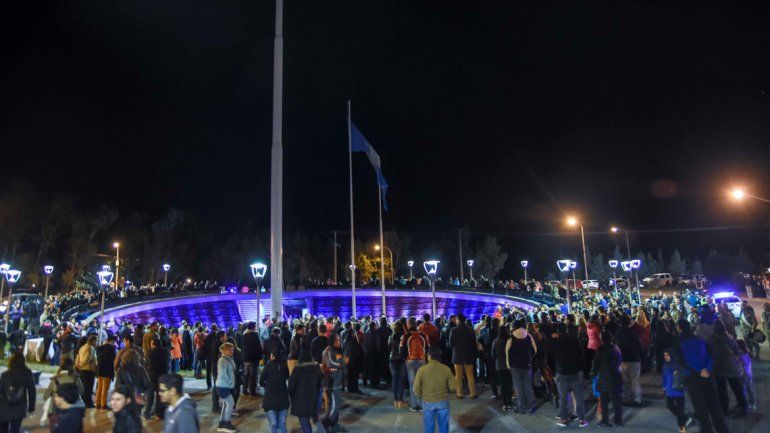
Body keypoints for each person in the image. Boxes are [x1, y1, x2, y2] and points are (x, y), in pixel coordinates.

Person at [676, 319, 729, 433]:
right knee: (714, 405)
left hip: (693, 377)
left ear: (680, 328)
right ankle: (722, 429)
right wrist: (707, 370)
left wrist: (697, 372)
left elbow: (682, 362)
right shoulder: (700, 340)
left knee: (700, 407)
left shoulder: (679, 343)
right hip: (707, 375)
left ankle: (706, 429)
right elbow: (709, 356)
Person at [548, 322, 588, 427]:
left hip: (562, 372)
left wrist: (552, 339)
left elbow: (549, 352)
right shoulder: (575, 340)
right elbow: (581, 355)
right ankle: (582, 419)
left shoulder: (557, 341)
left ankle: (564, 419)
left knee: (563, 397)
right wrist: (580, 368)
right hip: (574, 372)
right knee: (578, 397)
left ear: (558, 331)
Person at [708, 320, 747, 417]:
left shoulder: (710, 339)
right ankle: (743, 406)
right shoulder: (728, 337)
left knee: (722, 390)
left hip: (718, 368)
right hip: (731, 367)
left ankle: (724, 408)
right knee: (737, 388)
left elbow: (708, 352)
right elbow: (735, 349)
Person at [413, 346, 456, 433]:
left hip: (428, 402)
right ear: (440, 357)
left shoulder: (422, 370)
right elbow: (453, 388)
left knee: (429, 426)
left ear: (429, 356)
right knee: (443, 426)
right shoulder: (446, 369)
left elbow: (416, 389)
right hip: (442, 401)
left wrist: (421, 396)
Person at [591, 331, 623, 427]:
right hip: (615, 376)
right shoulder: (616, 349)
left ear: (602, 339)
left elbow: (596, 364)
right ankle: (618, 420)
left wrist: (594, 373)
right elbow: (619, 361)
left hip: (604, 377)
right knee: (617, 400)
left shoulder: (600, 349)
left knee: (604, 401)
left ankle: (605, 420)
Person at [506, 318, 537, 414]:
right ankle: (531, 406)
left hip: (515, 366)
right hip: (527, 364)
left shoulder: (511, 338)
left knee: (518, 387)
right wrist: (530, 358)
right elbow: (535, 350)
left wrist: (509, 365)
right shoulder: (528, 336)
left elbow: (507, 352)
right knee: (528, 386)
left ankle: (521, 407)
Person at [0, 353, 36, 433]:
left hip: (4, 407)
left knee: (3, 430)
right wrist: (31, 406)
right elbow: (32, 390)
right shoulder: (27, 373)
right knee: (15, 430)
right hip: (19, 407)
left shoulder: (4, 375)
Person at [289, 350, 322, 433]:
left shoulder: (297, 370)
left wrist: (293, 399)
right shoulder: (316, 368)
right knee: (317, 422)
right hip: (314, 400)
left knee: (305, 425)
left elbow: (291, 387)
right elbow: (320, 385)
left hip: (301, 402)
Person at [45, 357, 85, 425]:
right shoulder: (76, 378)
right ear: (72, 367)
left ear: (61, 366)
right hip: (73, 411)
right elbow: (81, 392)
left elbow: (45, 396)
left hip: (56, 412)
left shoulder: (55, 379)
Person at [260, 348, 290, 433]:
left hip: (270, 399)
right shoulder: (284, 365)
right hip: (283, 399)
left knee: (273, 423)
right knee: (282, 423)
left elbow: (261, 381)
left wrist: (268, 386)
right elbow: (287, 376)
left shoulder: (268, 365)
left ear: (272, 356)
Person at [401, 317, 428, 411]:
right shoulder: (422, 335)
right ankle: (422, 405)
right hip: (421, 360)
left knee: (412, 384)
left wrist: (405, 358)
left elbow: (402, 349)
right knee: (420, 383)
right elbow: (427, 347)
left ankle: (414, 405)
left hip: (410, 361)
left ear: (409, 324)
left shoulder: (406, 335)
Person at [616, 315, 643, 406]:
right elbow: (639, 346)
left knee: (625, 381)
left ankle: (626, 397)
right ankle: (637, 398)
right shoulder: (632, 332)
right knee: (635, 380)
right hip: (633, 358)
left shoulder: (618, 333)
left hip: (622, 360)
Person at [321, 333, 346, 431]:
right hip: (331, 383)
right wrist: (342, 362)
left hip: (336, 382)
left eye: (339, 340)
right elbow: (332, 364)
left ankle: (334, 425)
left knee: (334, 405)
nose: (339, 342)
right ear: (332, 341)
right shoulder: (328, 351)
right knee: (335, 406)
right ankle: (325, 423)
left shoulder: (335, 350)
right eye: (337, 340)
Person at [449, 313, 477, 399]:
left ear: (458, 320)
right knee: (470, 375)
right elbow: (473, 342)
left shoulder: (453, 330)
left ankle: (460, 393)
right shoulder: (470, 329)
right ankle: (472, 393)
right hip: (468, 355)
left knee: (458, 376)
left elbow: (451, 344)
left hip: (457, 356)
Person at [661, 348, 691, 433]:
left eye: (667, 355)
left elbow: (685, 373)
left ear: (671, 355)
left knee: (680, 409)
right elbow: (664, 376)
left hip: (678, 390)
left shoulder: (678, 364)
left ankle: (682, 427)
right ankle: (685, 418)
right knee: (670, 406)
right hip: (669, 390)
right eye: (664, 355)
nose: (666, 357)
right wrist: (664, 386)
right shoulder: (665, 365)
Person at [215, 342, 238, 433]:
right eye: (230, 349)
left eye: (232, 349)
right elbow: (223, 374)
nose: (232, 351)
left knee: (226, 404)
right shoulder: (223, 360)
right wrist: (230, 382)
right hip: (223, 386)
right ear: (224, 350)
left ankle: (222, 423)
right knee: (230, 403)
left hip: (225, 386)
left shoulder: (228, 359)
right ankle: (226, 423)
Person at [145, 338, 170, 420]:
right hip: (162, 375)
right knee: (160, 396)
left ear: (153, 344)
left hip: (152, 376)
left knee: (150, 396)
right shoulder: (165, 351)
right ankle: (159, 414)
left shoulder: (149, 352)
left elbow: (147, 364)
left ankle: (147, 412)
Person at [491, 325, 512, 411]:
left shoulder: (496, 341)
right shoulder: (509, 340)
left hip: (499, 365)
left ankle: (505, 403)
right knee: (509, 384)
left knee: (503, 385)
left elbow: (493, 355)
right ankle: (510, 401)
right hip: (509, 365)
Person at [388, 321, 408, 408]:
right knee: (401, 381)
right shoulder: (403, 337)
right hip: (401, 360)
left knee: (395, 380)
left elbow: (388, 348)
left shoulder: (390, 337)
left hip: (392, 360)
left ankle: (395, 401)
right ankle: (400, 401)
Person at [75, 334, 98, 408]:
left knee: (85, 386)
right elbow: (88, 358)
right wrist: (82, 364)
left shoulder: (82, 347)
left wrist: (81, 365)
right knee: (89, 387)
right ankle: (88, 403)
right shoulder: (90, 347)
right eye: (96, 341)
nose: (96, 343)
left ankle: (85, 401)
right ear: (93, 341)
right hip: (88, 369)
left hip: (83, 370)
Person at [96, 335, 117, 411]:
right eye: (114, 342)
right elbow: (114, 360)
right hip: (107, 370)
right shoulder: (111, 348)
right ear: (111, 340)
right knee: (105, 388)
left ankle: (97, 404)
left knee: (99, 388)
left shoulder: (100, 347)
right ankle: (103, 405)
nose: (114, 343)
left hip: (100, 370)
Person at [242, 322, 263, 396]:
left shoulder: (244, 335)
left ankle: (244, 390)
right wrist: (260, 357)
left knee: (246, 374)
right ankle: (252, 391)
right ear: (253, 327)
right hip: (253, 358)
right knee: (253, 375)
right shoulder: (255, 335)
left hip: (246, 358)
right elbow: (258, 347)